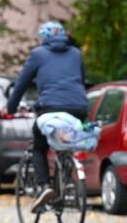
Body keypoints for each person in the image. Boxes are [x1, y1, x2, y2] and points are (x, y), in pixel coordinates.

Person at [6, 20, 88, 212]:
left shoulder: (38, 54)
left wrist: (11, 108)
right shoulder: (76, 53)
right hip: (78, 108)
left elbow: (21, 84)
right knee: (63, 144)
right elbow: (81, 81)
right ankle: (65, 180)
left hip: (50, 108)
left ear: (44, 37)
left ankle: (44, 187)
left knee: (39, 146)